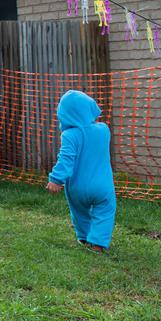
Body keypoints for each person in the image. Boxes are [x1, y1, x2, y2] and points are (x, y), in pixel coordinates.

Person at [45, 90, 116, 252]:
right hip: (103, 186)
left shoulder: (69, 135)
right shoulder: (104, 130)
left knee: (79, 212)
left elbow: (66, 158)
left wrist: (56, 179)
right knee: (105, 211)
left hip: (78, 187)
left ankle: (84, 238)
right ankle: (97, 244)